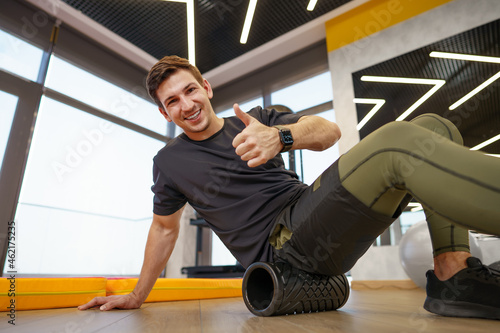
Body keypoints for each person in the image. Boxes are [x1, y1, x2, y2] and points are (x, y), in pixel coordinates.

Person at [79, 55, 500, 320]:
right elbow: (164, 229)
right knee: (395, 143)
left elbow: (326, 131)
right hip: (283, 251)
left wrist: (279, 137)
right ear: (165, 112)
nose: (186, 104)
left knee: (433, 126)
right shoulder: (169, 163)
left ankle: (454, 274)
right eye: (173, 101)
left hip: (312, 213)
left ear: (206, 87)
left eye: (190, 89)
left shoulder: (258, 119)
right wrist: (137, 294)